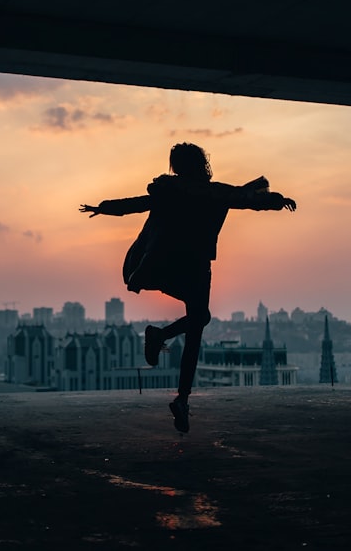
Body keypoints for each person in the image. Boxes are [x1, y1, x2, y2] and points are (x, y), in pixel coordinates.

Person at [80, 143, 296, 432]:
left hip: (165, 263)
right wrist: (276, 200)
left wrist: (103, 208)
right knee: (198, 325)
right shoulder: (209, 191)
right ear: (201, 163)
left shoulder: (168, 191)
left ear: (176, 165)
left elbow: (135, 204)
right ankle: (178, 386)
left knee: (198, 324)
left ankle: (180, 393)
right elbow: (242, 197)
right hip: (194, 266)